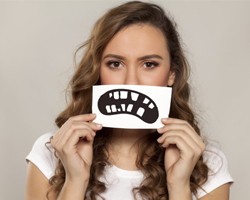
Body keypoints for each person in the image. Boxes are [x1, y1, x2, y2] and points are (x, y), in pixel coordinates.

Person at [25, 1, 233, 200]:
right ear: (97, 71)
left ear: (171, 74)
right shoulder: (52, 151)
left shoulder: (208, 163)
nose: (131, 81)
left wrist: (178, 186)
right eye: (115, 64)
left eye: (149, 64)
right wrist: (75, 180)